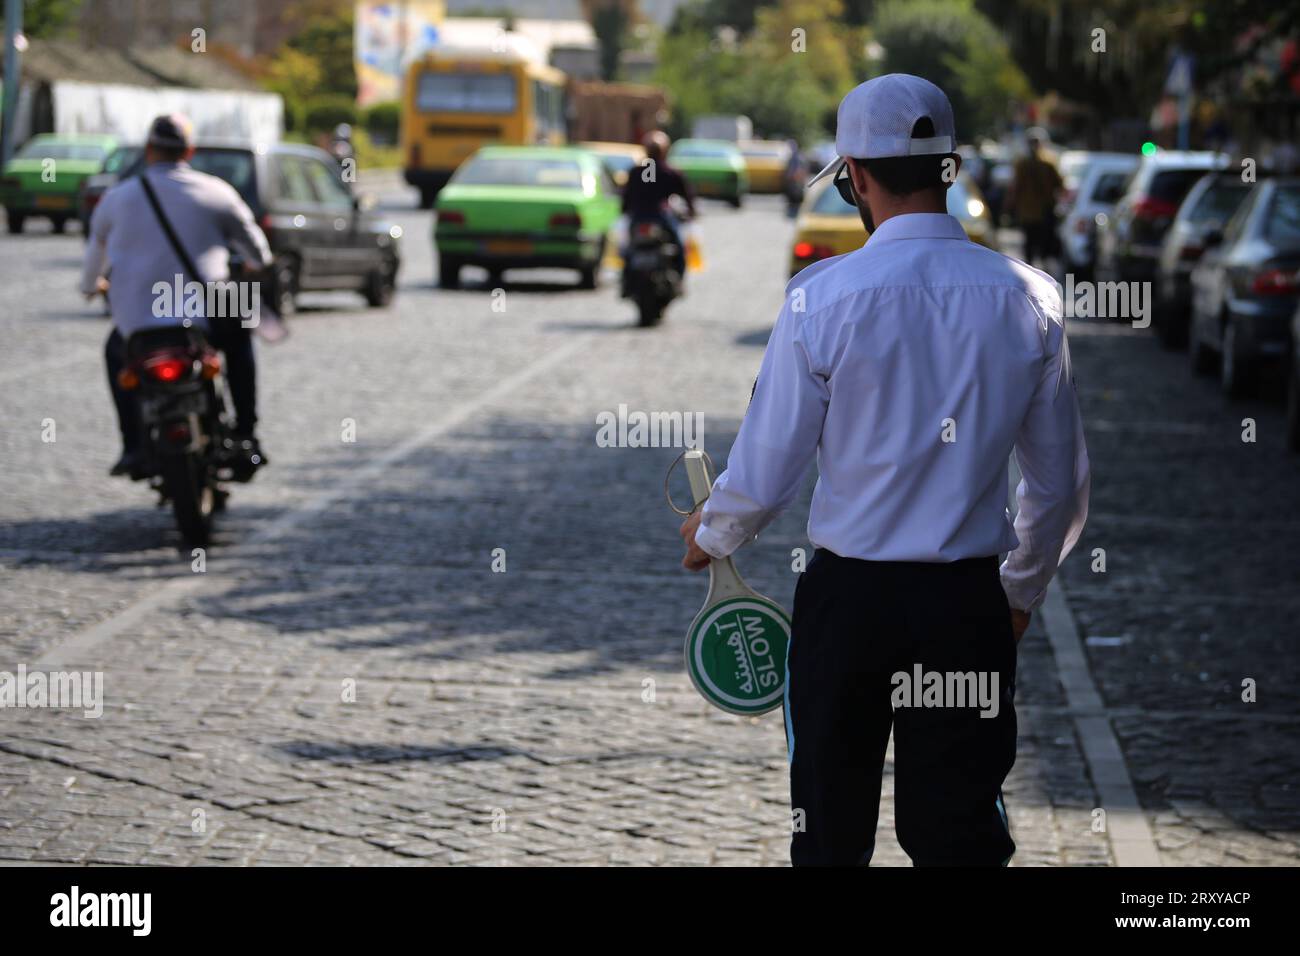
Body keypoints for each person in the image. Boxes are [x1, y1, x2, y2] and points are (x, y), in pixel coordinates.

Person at [678, 74, 1090, 866]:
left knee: (830, 834)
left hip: (851, 608)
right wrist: (1018, 594)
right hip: (965, 608)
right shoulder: (1030, 300)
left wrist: (712, 533)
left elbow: (768, 470)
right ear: (953, 168)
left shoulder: (819, 300)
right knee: (959, 836)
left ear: (854, 178)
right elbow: (1058, 484)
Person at [80, 113, 273, 477]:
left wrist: (94, 287)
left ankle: (133, 445)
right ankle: (247, 432)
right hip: (209, 305)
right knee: (240, 342)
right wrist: (248, 267)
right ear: (190, 151)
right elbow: (258, 254)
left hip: (138, 311)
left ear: (149, 149)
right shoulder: (217, 192)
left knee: (115, 355)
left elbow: (92, 266)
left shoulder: (117, 198)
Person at [620, 130, 696, 290]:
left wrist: (625, 211)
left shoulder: (636, 172)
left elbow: (626, 198)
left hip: (638, 218)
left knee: (627, 249)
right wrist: (691, 212)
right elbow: (687, 196)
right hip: (661, 218)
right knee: (679, 247)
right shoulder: (670, 172)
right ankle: (680, 281)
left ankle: (625, 281)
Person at [1007, 132, 1064, 269]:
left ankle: (1035, 265)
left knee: (1037, 241)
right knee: (1035, 241)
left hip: (1037, 211)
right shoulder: (1028, 164)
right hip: (1034, 211)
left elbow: (1058, 184)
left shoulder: (1044, 163)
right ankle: (1035, 265)